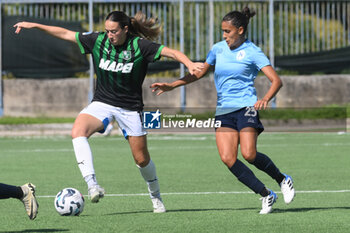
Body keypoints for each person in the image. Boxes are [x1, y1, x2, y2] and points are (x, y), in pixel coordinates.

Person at [14, 11, 203, 213]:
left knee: (141, 159)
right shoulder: (97, 40)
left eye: (114, 31)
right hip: (102, 102)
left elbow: (173, 52)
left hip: (130, 108)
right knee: (77, 131)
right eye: (107, 31)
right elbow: (66, 34)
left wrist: (189, 64)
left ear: (125, 29)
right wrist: (35, 25)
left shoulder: (139, 46)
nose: (110, 35)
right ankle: (92, 184)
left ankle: (155, 197)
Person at [151, 7, 295, 214]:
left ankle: (283, 179)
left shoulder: (253, 51)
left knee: (249, 154)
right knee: (228, 158)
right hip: (224, 110)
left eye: (228, 31)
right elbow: (198, 74)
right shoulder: (217, 49)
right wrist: (172, 85)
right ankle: (266, 195)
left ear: (240, 30)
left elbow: (276, 81)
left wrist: (265, 98)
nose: (224, 36)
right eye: (223, 31)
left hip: (246, 107)